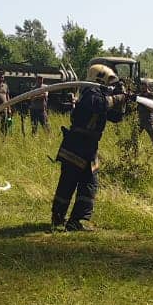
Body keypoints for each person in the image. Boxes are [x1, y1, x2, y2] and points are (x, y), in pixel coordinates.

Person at [52, 63, 131, 231]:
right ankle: (58, 218)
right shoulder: (90, 93)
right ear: (99, 78)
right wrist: (117, 98)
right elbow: (99, 105)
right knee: (68, 183)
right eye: (108, 81)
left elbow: (115, 117)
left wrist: (123, 99)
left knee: (89, 185)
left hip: (89, 147)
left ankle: (75, 221)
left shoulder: (101, 95)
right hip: (76, 145)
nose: (110, 85)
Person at [137, 80, 153, 153]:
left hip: (149, 121)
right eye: (141, 86)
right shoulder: (139, 95)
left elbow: (152, 109)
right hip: (139, 120)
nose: (142, 88)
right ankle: (134, 153)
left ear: (147, 87)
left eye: (143, 86)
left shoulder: (152, 96)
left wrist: (142, 102)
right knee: (134, 138)